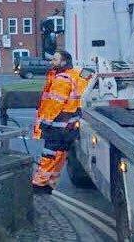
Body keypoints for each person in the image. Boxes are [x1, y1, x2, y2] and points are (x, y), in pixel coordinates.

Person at [30, 49, 90, 194]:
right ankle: (50, 183)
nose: (52, 62)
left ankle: (39, 185)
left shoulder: (61, 79)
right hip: (69, 124)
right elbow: (86, 78)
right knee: (60, 155)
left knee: (49, 154)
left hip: (57, 124)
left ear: (64, 62)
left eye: (55, 60)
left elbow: (55, 103)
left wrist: (46, 122)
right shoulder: (75, 75)